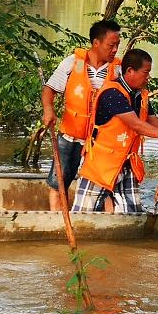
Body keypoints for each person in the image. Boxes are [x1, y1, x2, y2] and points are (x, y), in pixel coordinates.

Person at [72, 49, 158, 213]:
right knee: (83, 213)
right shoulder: (112, 93)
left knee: (132, 214)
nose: (148, 77)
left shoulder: (140, 95)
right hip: (101, 163)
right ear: (130, 71)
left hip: (127, 161)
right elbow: (136, 125)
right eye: (146, 72)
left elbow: (152, 120)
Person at [41, 19, 122, 210]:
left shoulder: (118, 69)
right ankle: (57, 220)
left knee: (105, 184)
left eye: (118, 45)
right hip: (71, 134)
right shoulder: (72, 63)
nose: (115, 50)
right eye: (111, 45)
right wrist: (48, 110)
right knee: (59, 181)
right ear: (96, 43)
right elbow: (49, 89)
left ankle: (105, 223)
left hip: (101, 139)